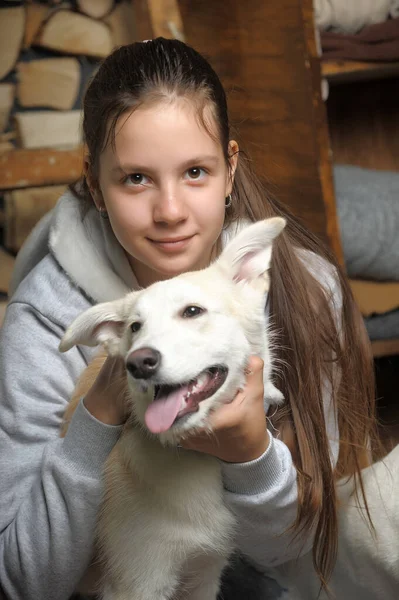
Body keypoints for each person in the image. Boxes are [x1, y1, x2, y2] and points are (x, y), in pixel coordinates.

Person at [0, 38, 378, 600]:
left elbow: (293, 553)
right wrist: (100, 415)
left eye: (195, 171)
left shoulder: (304, 289)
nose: (170, 211)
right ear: (95, 184)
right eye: (135, 178)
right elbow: (23, 579)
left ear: (230, 167)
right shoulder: (50, 316)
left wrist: (250, 455)